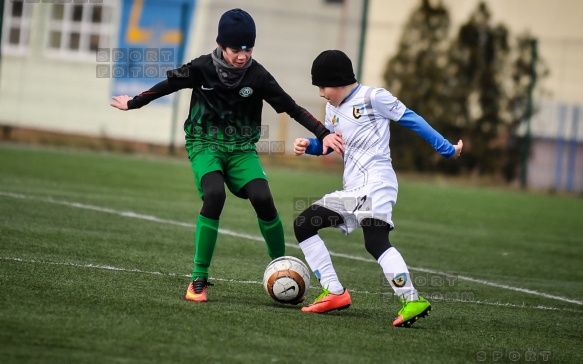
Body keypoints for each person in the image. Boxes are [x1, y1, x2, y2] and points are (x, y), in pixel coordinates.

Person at [110, 9, 344, 303]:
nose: (243, 55)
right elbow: (167, 85)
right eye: (236, 49)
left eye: (249, 48)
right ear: (222, 44)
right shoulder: (201, 68)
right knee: (214, 195)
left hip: (242, 150)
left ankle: (282, 267)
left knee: (263, 198)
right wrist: (133, 102)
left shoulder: (257, 75)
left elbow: (292, 107)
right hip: (204, 144)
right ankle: (198, 278)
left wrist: (323, 134)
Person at [292, 50, 463, 327]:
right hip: (358, 189)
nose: (322, 93)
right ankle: (409, 300)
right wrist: (309, 146)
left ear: (338, 81)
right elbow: (331, 145)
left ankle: (336, 292)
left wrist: (446, 149)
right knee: (374, 242)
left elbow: (412, 119)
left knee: (305, 223)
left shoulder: (374, 97)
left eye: (323, 86)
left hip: (376, 184)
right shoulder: (332, 108)